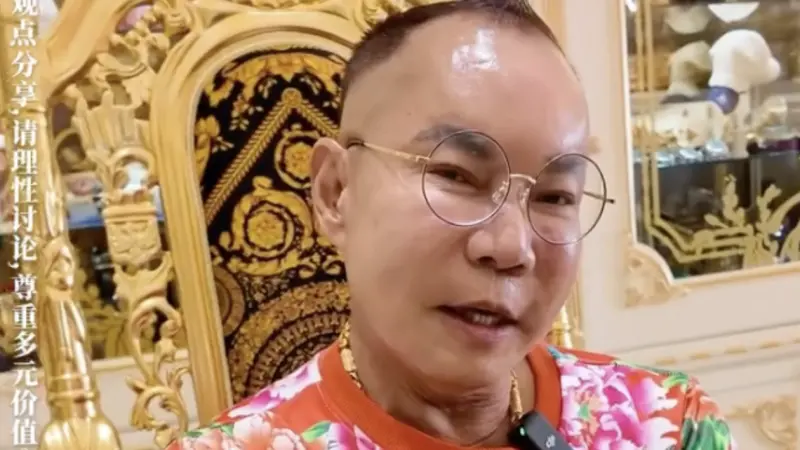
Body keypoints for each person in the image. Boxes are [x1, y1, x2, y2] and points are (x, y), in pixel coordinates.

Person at [169, 0, 737, 448]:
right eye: (456, 175)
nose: (512, 247)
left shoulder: (663, 425)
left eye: (556, 196)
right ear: (336, 193)